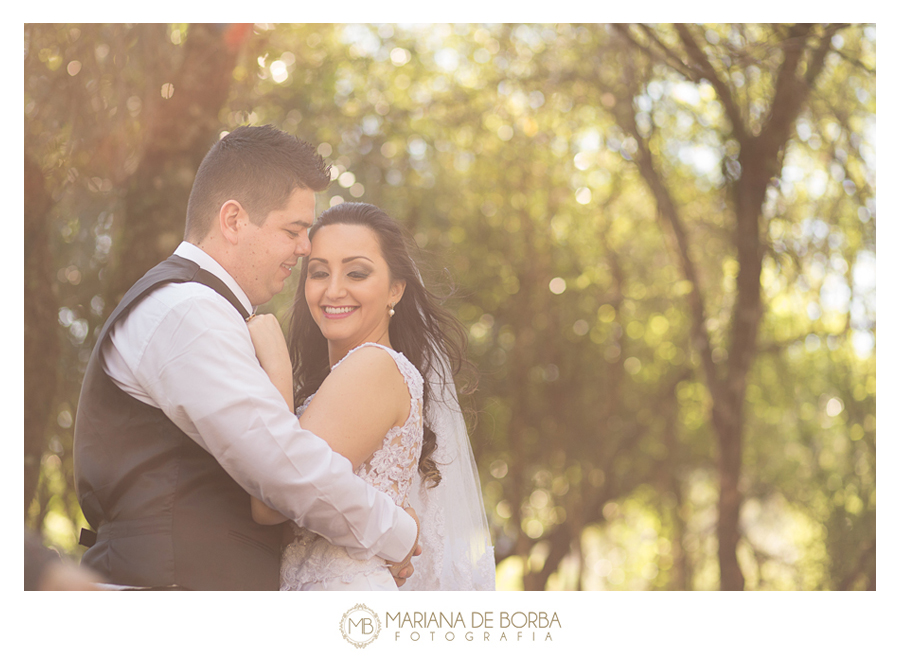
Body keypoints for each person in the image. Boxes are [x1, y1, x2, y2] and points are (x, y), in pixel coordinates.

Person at [72, 125, 419, 590]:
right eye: (293, 230)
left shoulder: (207, 311)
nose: (304, 247)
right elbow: (281, 465)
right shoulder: (188, 310)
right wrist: (397, 532)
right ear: (233, 220)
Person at [248, 202, 495, 591]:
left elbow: (271, 500)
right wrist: (397, 525)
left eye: (357, 272)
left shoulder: (374, 367)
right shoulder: (341, 383)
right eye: (318, 273)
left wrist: (276, 368)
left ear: (395, 289)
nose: (333, 290)